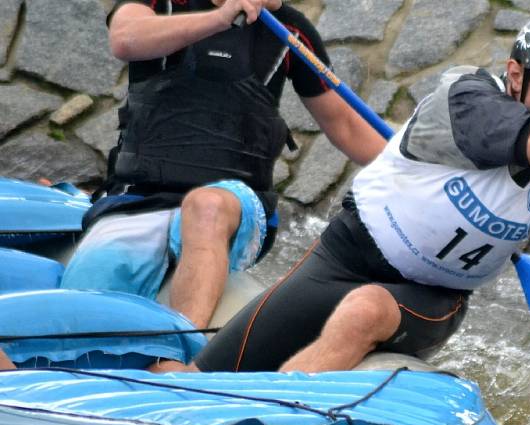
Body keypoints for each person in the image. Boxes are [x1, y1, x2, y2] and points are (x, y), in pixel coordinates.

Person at [158, 12, 530, 388]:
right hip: (340, 257)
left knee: (365, 311)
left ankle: (273, 420)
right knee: (194, 375)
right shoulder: (465, 99)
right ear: (515, 76)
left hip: (432, 297)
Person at [60, 0, 385, 329]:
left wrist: (414, 163)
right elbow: (125, 38)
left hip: (234, 202)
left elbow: (345, 124)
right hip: (139, 199)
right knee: (76, 311)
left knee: (207, 206)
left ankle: (180, 351)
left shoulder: (292, 29)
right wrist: (219, 20)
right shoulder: (162, 4)